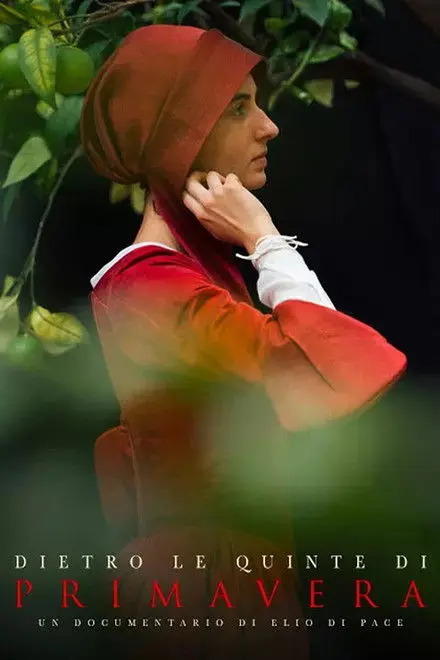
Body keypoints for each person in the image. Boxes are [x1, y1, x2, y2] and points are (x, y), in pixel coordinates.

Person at [80, 25, 406, 659]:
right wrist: (265, 238)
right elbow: (326, 370)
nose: (268, 127)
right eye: (237, 107)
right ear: (177, 133)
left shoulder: (191, 279)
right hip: (208, 596)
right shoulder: (153, 290)